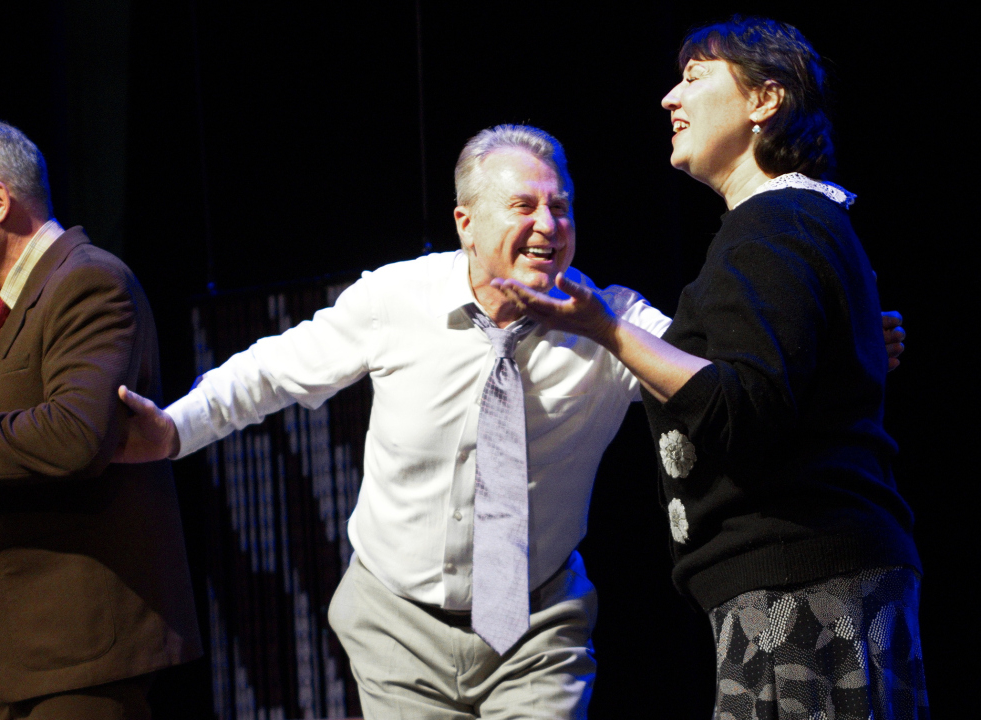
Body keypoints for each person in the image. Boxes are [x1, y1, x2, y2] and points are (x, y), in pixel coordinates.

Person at [114, 122, 899, 717]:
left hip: (538, 624)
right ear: (466, 223)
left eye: (561, 206)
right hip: (394, 623)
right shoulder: (396, 299)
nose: (548, 224)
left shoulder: (611, 322)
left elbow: (728, 378)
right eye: (524, 205)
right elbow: (268, 373)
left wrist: (846, 341)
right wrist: (174, 430)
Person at [496, 17, 926, 719]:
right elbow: (775, 372)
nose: (671, 96)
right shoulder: (793, 221)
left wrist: (603, 328)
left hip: (803, 587)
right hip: (811, 580)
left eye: (695, 77)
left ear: (765, 100)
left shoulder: (774, 222)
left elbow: (741, 406)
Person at [0, 118, 201, 720]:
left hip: (81, 656)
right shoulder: (16, 305)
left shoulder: (89, 281)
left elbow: (73, 437)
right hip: (21, 659)